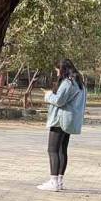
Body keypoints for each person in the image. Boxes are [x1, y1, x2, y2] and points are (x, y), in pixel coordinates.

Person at [38, 58, 87, 192]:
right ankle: (59, 181)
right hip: (70, 120)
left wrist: (47, 95)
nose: (57, 73)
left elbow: (59, 101)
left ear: (63, 69)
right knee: (62, 150)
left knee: (52, 149)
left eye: (57, 70)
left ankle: (53, 181)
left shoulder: (68, 82)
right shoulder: (79, 83)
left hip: (60, 120)